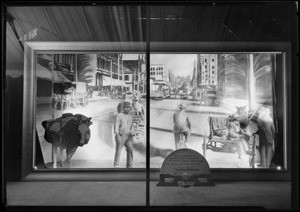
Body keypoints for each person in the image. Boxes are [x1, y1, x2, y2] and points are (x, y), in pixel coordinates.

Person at [113, 101, 134, 168]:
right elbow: (116, 125)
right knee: (118, 151)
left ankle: (129, 165)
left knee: (130, 150)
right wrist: (117, 135)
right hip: (121, 135)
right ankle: (116, 165)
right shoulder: (119, 115)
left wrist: (132, 134)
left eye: (129, 108)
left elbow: (131, 126)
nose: (127, 109)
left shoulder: (130, 116)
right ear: (123, 108)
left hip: (129, 136)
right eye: (126, 108)